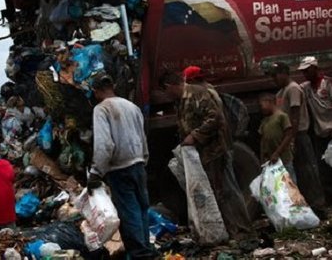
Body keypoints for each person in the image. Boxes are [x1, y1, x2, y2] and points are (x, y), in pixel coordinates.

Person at [160, 71, 256, 241]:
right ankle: (230, 230)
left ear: (170, 86)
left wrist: (195, 136)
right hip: (203, 154)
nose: (166, 95)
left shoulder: (197, 94)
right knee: (218, 193)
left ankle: (244, 231)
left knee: (228, 190)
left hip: (215, 151)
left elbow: (215, 118)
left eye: (165, 91)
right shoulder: (180, 102)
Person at [87, 75, 158, 259]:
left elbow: (104, 145)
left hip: (119, 168)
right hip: (138, 164)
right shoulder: (131, 106)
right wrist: (144, 159)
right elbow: (142, 137)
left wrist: (96, 173)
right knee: (142, 208)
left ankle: (139, 253)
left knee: (129, 211)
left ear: (96, 91)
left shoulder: (101, 109)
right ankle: (146, 249)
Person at [269, 62, 326, 212]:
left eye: (275, 75)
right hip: (290, 137)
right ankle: (306, 203)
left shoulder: (293, 89)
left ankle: (317, 203)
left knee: (307, 169)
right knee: (299, 171)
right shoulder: (281, 92)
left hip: (298, 135)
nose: (273, 79)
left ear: (284, 73)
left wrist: (291, 138)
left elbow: (295, 116)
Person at [298, 56, 332, 207]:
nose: (305, 74)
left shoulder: (329, 83)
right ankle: (330, 197)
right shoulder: (306, 87)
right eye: (303, 71)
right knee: (325, 168)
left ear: (315, 69)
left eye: (307, 70)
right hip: (321, 133)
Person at [258, 93, 297, 182]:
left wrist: (277, 153)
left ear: (269, 102)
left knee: (290, 184)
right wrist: (262, 158)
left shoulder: (282, 116)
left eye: (262, 105)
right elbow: (263, 140)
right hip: (271, 161)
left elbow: (288, 135)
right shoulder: (265, 121)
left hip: (284, 159)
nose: (261, 108)